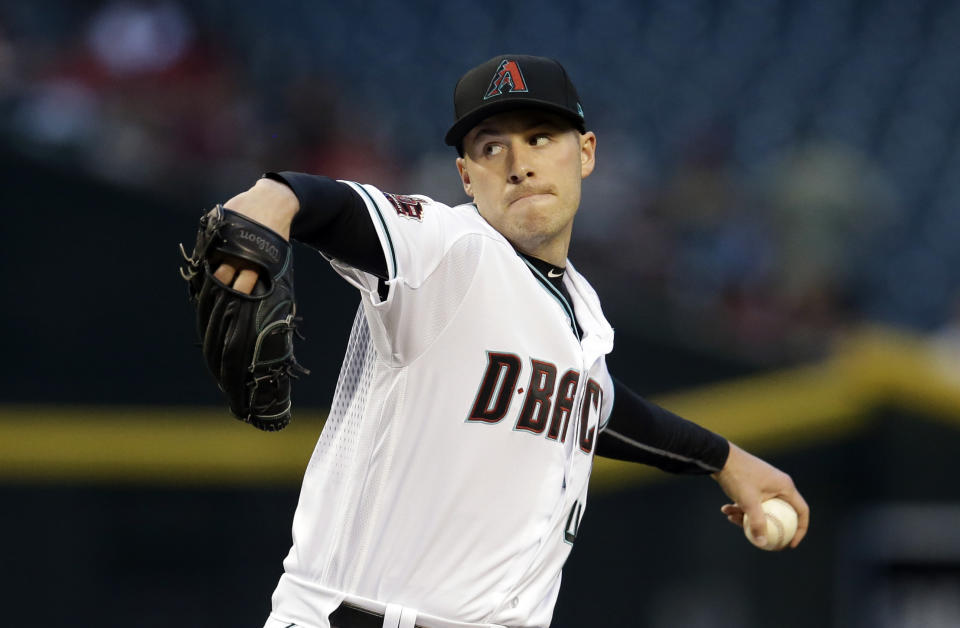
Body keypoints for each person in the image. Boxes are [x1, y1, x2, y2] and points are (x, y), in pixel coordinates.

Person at [212, 55, 809, 628]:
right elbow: (341, 209)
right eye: (491, 147)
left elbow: (597, 406)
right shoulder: (451, 248)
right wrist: (279, 195)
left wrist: (726, 461)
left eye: (542, 137)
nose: (518, 164)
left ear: (587, 154)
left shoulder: (577, 305)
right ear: (466, 177)